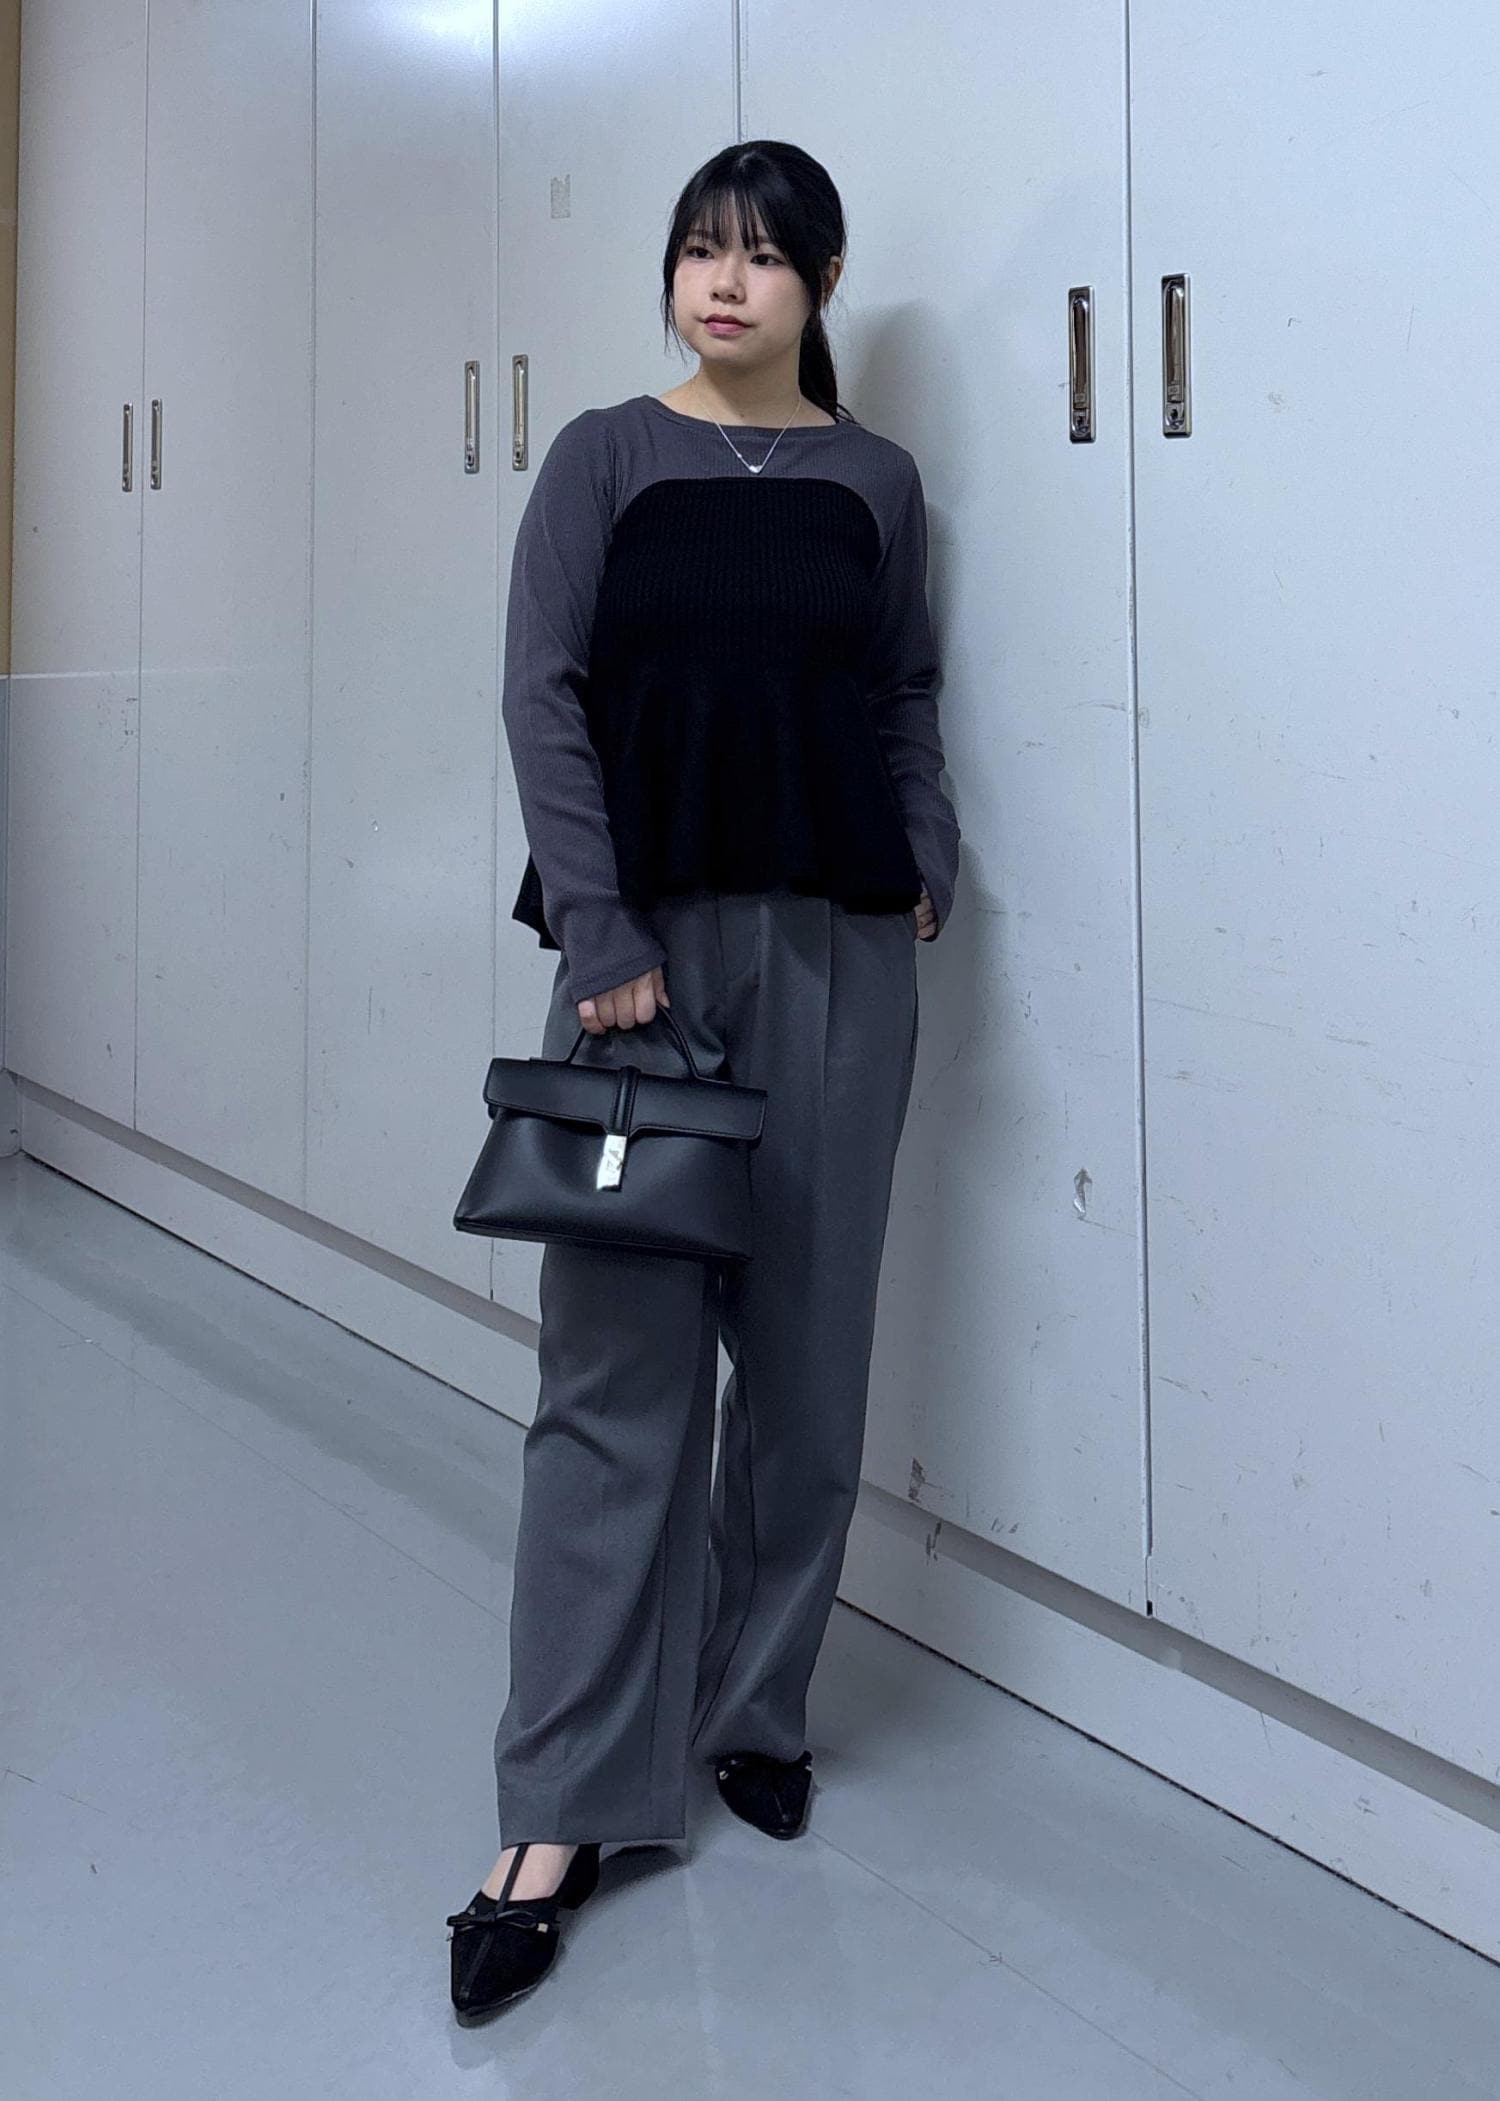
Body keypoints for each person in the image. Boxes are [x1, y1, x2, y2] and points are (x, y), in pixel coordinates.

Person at [446, 138, 961, 2024]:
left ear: (821, 283)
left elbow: (902, 690)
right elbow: (543, 696)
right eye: (696, 251)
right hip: (641, 967)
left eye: (761, 256)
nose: (722, 283)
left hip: (837, 954)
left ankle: (754, 1708)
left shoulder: (874, 485)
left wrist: (926, 850)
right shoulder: (604, 458)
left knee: (808, 1380)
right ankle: (561, 1806)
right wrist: (599, 935)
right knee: (614, 1385)